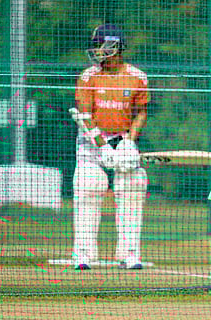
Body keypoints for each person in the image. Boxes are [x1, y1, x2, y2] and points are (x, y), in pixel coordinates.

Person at [72, 24, 149, 270]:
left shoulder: (137, 77)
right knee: (88, 186)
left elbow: (141, 112)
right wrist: (102, 146)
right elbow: (85, 114)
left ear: (114, 47)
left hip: (122, 140)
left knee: (133, 188)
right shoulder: (88, 76)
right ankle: (83, 253)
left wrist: (129, 142)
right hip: (91, 140)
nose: (95, 51)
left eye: (100, 45)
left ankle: (129, 253)